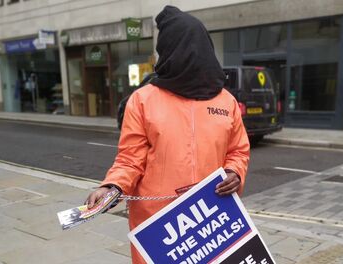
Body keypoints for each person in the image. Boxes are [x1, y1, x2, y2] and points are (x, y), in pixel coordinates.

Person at [84, 6, 250, 264]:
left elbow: (238, 151)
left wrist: (235, 173)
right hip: (159, 224)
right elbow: (130, 159)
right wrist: (112, 186)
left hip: (210, 220)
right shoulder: (142, 100)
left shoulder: (226, 101)